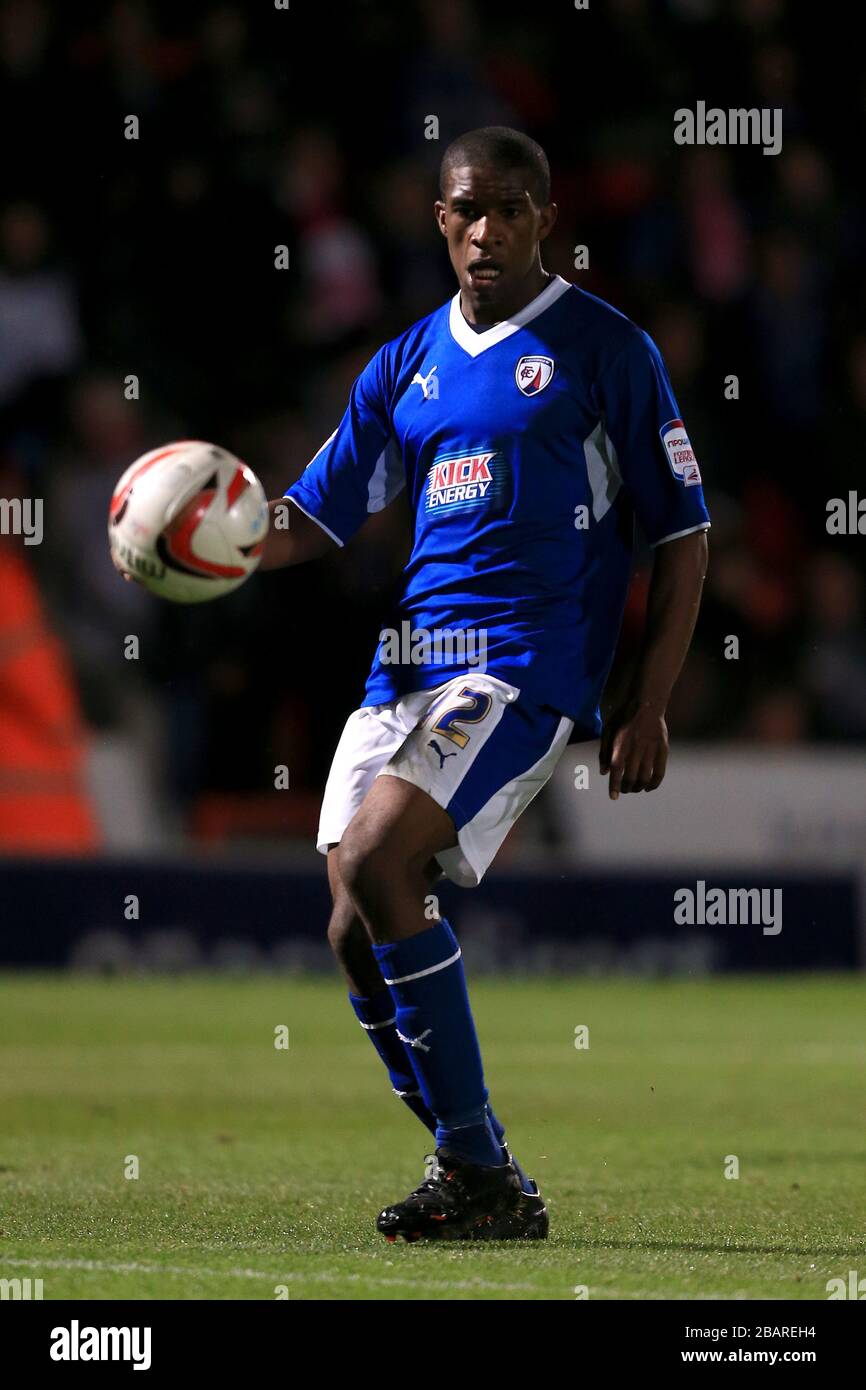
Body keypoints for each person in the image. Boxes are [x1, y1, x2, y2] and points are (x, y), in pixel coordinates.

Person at [263, 126, 710, 1241]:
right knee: (352, 924)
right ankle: (481, 1167)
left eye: (512, 208)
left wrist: (645, 699)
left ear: (545, 220)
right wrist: (206, 540)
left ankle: (471, 1164)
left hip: (519, 665)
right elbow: (313, 514)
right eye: (469, 209)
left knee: (377, 856)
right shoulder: (404, 361)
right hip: (403, 669)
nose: (489, 229)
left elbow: (684, 533)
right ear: (440, 222)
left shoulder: (606, 350)